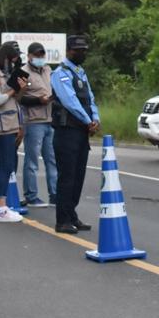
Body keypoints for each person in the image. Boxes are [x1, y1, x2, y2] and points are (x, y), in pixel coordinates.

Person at [50, 35, 100, 234]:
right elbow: (70, 101)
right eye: (79, 50)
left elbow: (90, 98)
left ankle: (72, 215)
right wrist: (88, 121)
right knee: (67, 177)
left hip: (81, 132)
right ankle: (62, 220)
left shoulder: (80, 72)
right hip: (67, 132)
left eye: (85, 50)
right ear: (69, 51)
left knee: (78, 176)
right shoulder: (60, 73)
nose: (83, 53)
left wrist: (95, 118)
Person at [0, 42, 27, 223]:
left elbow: (13, 99)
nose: (15, 62)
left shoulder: (4, 73)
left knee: (2, 163)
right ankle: (0, 207)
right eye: (13, 59)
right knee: (6, 165)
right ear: (6, 57)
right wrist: (13, 90)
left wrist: (20, 89)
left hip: (9, 123)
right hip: (2, 124)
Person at [18, 42, 58, 208]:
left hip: (50, 120)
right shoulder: (23, 73)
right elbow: (19, 98)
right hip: (33, 121)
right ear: (29, 56)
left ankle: (54, 194)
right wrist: (37, 100)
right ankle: (31, 195)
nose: (40, 58)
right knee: (32, 160)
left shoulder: (48, 70)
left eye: (42, 55)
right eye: (36, 55)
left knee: (52, 160)